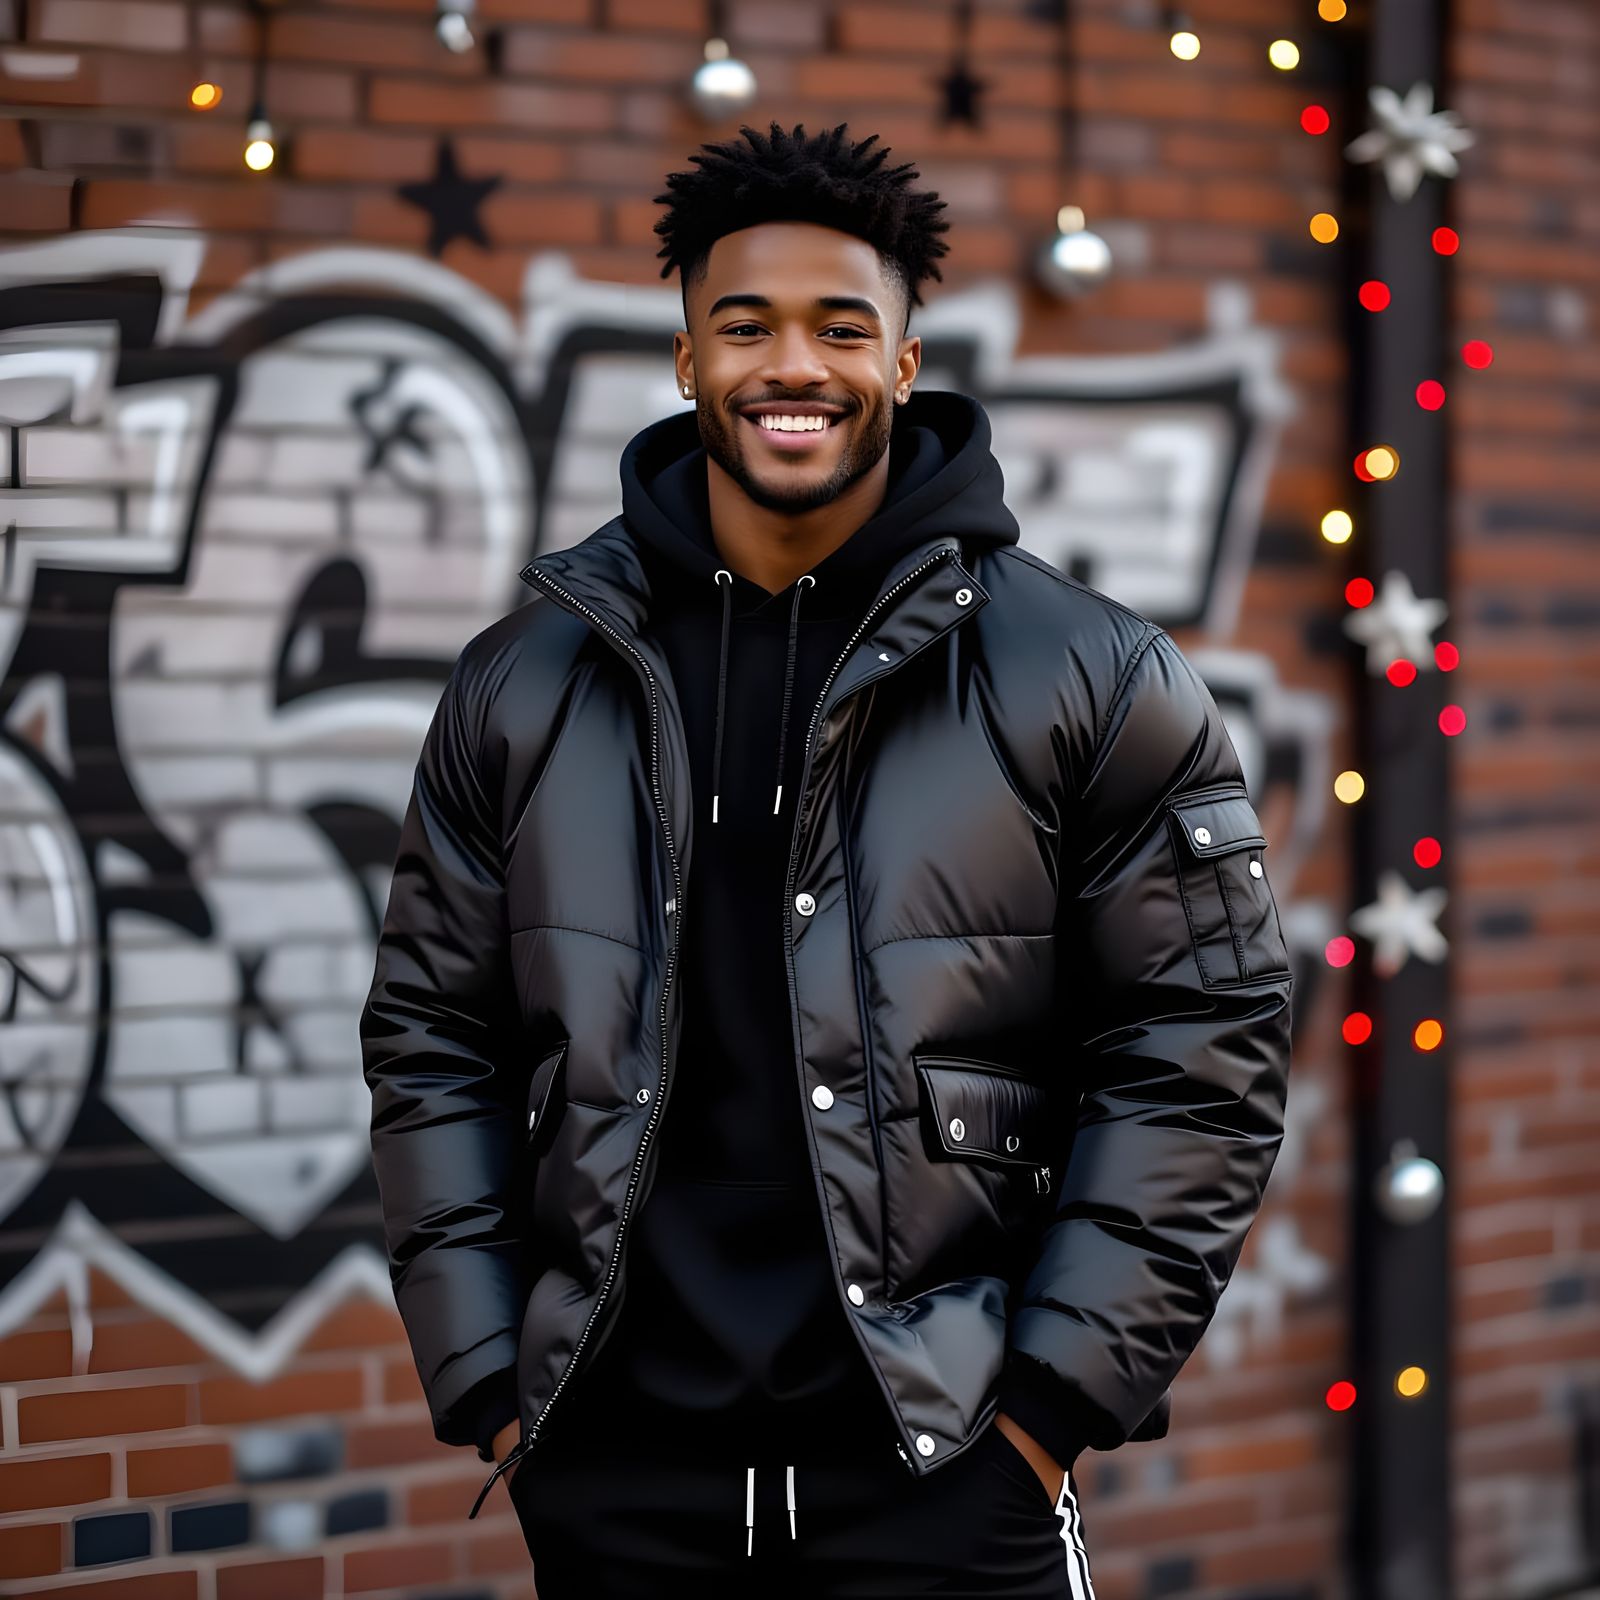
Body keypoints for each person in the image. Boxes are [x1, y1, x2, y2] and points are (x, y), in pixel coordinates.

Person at [360, 121, 1294, 1599]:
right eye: (746, 325)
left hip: (944, 1470)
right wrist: (492, 1384)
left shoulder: (1091, 675)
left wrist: (1048, 1409)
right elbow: (432, 1037)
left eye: (839, 326)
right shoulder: (525, 679)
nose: (792, 364)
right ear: (685, 360)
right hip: (616, 1478)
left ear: (906, 363)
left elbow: (1203, 1048)